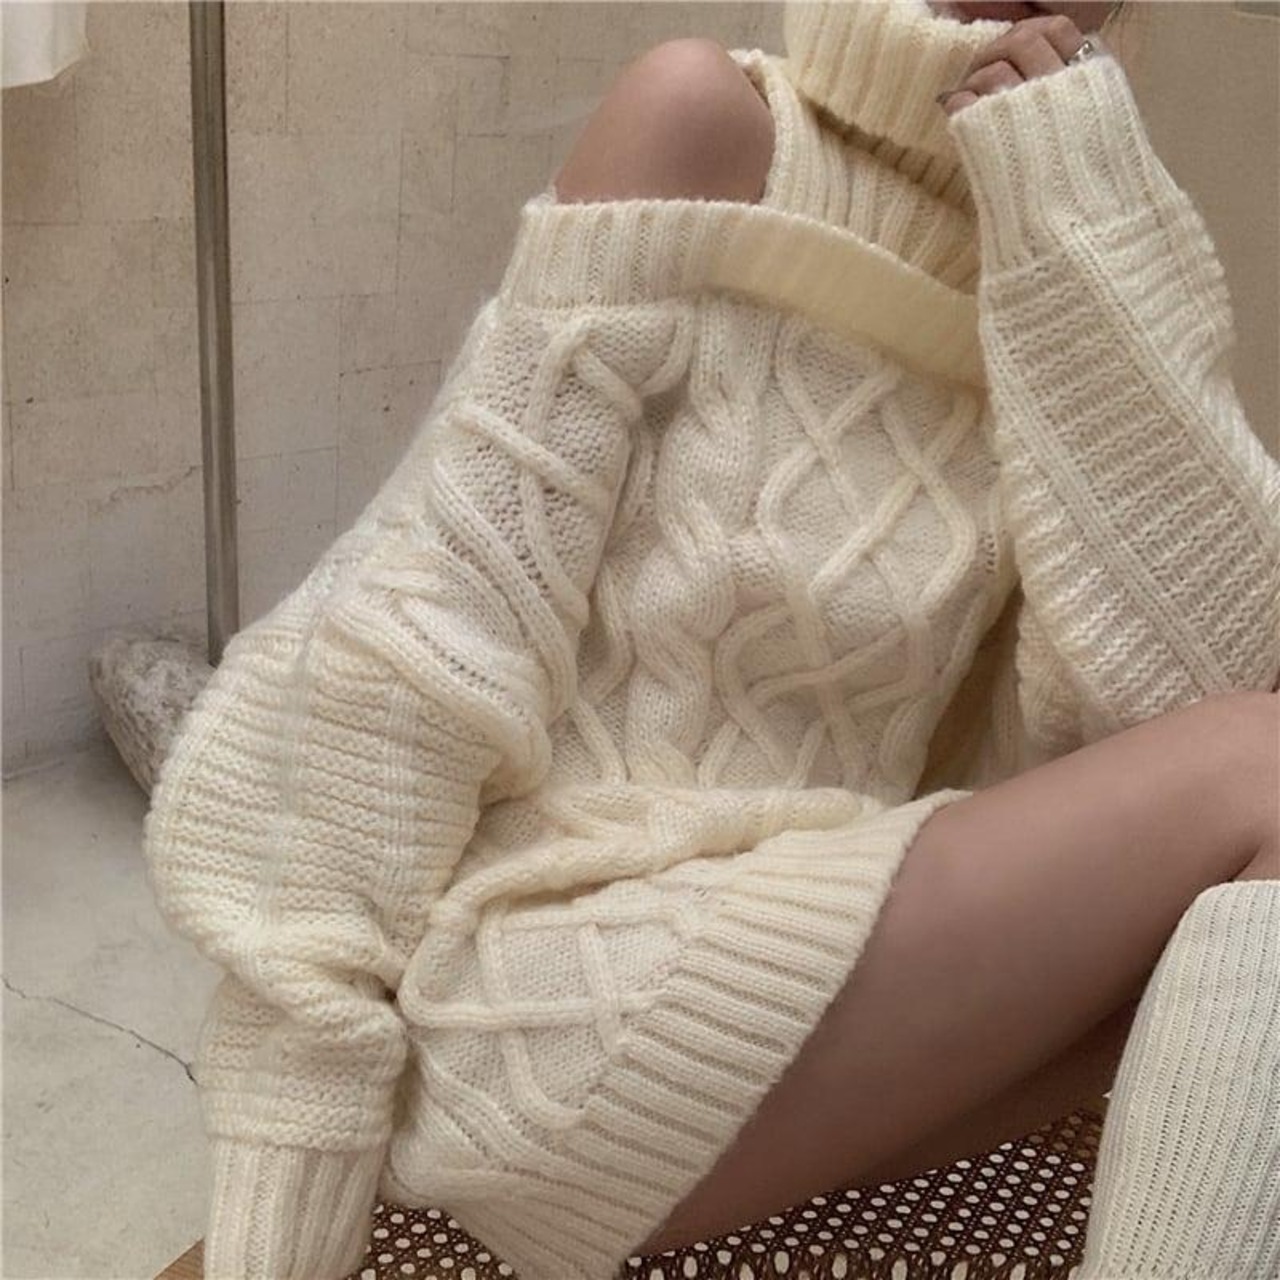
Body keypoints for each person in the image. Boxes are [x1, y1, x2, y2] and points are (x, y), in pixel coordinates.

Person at [142, 3, 1280, 1278]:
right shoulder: (708, 126)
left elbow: (1201, 693)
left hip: (804, 988)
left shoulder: (1064, 200)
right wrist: (284, 1202)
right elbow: (417, 639)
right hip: (553, 997)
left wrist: (1078, 209)